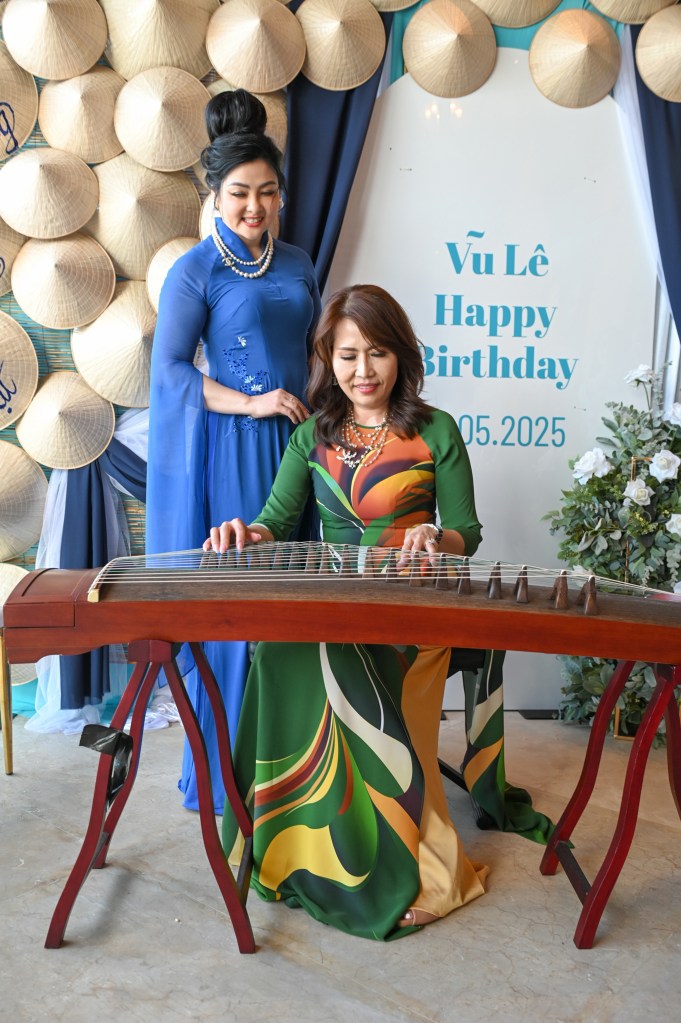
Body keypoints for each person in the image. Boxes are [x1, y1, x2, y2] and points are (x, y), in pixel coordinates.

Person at [204, 284, 491, 939]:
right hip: (333, 606)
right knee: (277, 653)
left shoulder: (435, 430)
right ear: (327, 360)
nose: (364, 370)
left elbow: (467, 532)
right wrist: (246, 533)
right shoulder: (312, 435)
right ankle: (297, 850)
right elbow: (276, 520)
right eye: (348, 355)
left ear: (402, 356)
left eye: (378, 352)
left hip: (413, 607)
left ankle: (436, 874)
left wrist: (433, 536)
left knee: (362, 677)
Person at [147, 90, 321, 813]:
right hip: (239, 449)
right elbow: (170, 372)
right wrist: (252, 402)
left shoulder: (299, 261)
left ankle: (297, 769)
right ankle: (228, 775)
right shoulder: (197, 270)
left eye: (268, 192)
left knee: (298, 601)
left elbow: (311, 350)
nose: (255, 206)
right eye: (241, 193)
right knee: (243, 601)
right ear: (214, 195)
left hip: (300, 447)